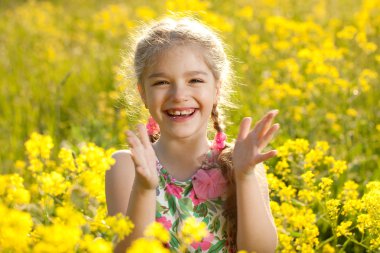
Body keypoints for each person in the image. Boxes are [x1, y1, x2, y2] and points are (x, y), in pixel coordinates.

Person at [105, 16, 280, 253]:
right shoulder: (126, 166)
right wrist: (145, 189)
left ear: (216, 89)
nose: (179, 95)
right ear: (143, 93)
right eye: (162, 82)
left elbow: (261, 251)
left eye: (195, 80)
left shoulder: (239, 161)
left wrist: (246, 176)